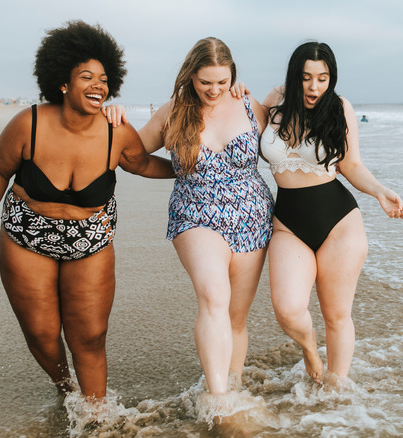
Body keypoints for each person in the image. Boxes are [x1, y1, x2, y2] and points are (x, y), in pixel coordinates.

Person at [0, 20, 174, 402]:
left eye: (103, 78)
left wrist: (190, 168)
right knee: (42, 334)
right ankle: (67, 390)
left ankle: (95, 414)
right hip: (26, 235)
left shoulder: (117, 133)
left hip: (90, 239)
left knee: (91, 335)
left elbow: (144, 164)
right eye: (86, 77)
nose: (98, 85)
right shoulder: (27, 124)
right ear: (63, 83)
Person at [105, 37, 273, 396]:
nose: (214, 90)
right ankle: (218, 400)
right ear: (190, 76)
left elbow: (288, 132)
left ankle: (235, 385)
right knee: (214, 296)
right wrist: (115, 119)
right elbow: (133, 155)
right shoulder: (174, 111)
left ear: (233, 77)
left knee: (236, 318)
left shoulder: (249, 104)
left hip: (252, 216)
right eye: (205, 82)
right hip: (194, 212)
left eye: (222, 82)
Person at [260, 41, 403, 385]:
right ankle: (310, 349)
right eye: (307, 78)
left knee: (337, 315)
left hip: (338, 222)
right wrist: (236, 88)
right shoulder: (275, 102)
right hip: (288, 225)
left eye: (323, 78)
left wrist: (379, 191)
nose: (314, 87)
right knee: (288, 309)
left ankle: (336, 392)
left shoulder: (340, 107)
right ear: (294, 76)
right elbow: (235, 115)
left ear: (332, 78)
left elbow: (351, 164)